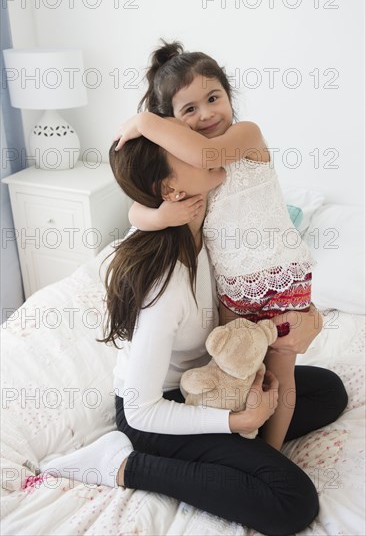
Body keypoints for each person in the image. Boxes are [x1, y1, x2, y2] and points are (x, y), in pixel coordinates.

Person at [42, 133, 348, 536]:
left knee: (328, 392)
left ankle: (230, 455)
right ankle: (123, 465)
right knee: (292, 502)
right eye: (189, 154)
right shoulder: (164, 286)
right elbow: (141, 409)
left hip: (213, 382)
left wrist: (310, 319)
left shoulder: (210, 223)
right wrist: (236, 422)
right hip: (155, 413)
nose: (207, 152)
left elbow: (271, 281)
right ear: (172, 188)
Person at [114, 40, 316, 450]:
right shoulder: (189, 181)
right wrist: (160, 217)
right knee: (233, 367)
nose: (206, 113)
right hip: (232, 287)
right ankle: (242, 429)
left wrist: (147, 121)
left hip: (279, 276)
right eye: (189, 109)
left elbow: (208, 154)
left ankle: (272, 452)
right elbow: (136, 213)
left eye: (214, 97)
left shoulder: (244, 136)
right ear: (175, 125)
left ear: (229, 96)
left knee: (281, 372)